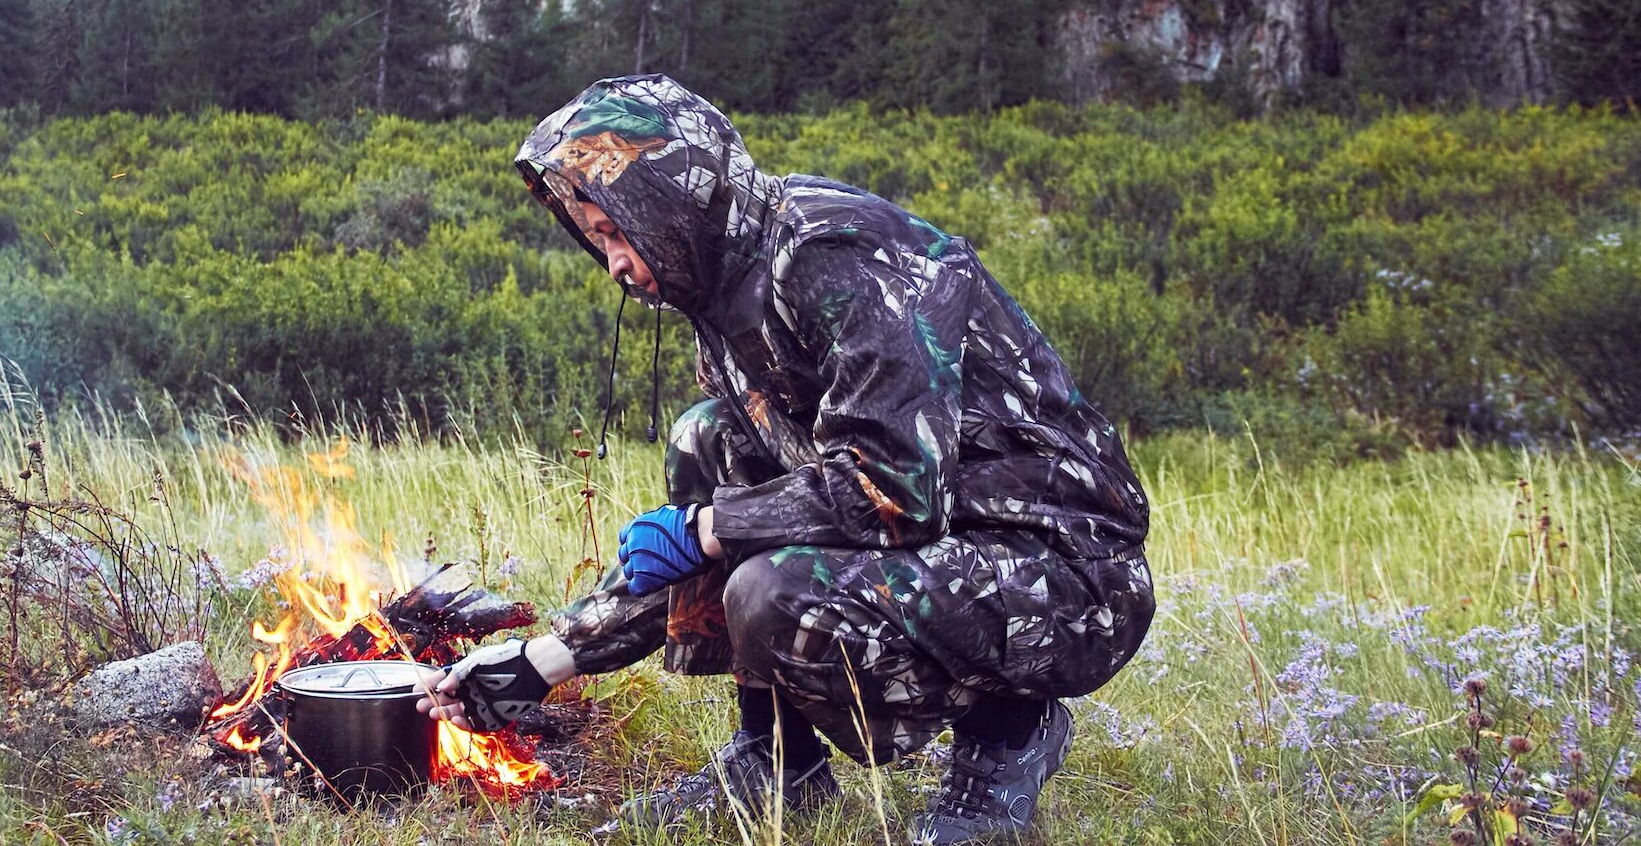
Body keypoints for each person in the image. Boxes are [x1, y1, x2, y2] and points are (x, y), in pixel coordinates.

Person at [416, 75, 1154, 845]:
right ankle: (776, 762)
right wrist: (543, 662)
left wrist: (709, 526)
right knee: (705, 441)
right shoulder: (723, 292)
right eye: (596, 239)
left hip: (1068, 577)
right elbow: (728, 526)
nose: (614, 266)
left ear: (667, 203)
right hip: (951, 543)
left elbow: (893, 485)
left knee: (772, 588)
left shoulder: (829, 254)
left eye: (615, 231)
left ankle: (1009, 735)